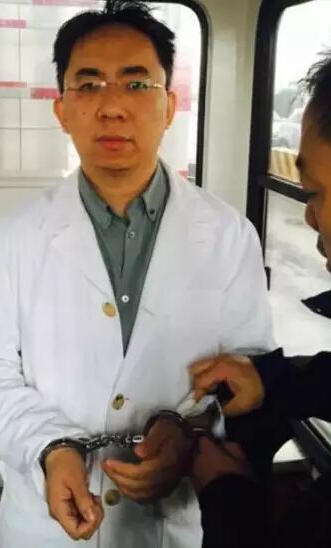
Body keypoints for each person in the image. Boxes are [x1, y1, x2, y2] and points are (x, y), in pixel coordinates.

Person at [0, 1, 274, 547]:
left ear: (170, 106)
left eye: (137, 84)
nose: (112, 107)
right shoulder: (17, 235)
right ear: (62, 111)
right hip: (45, 527)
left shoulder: (228, 235)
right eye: (89, 85)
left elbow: (248, 375)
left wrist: (189, 437)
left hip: (171, 522)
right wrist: (48, 446)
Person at [188, 50, 331, 548]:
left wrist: (227, 496)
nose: (309, 217)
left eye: (314, 193)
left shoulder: (227, 231)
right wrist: (271, 381)